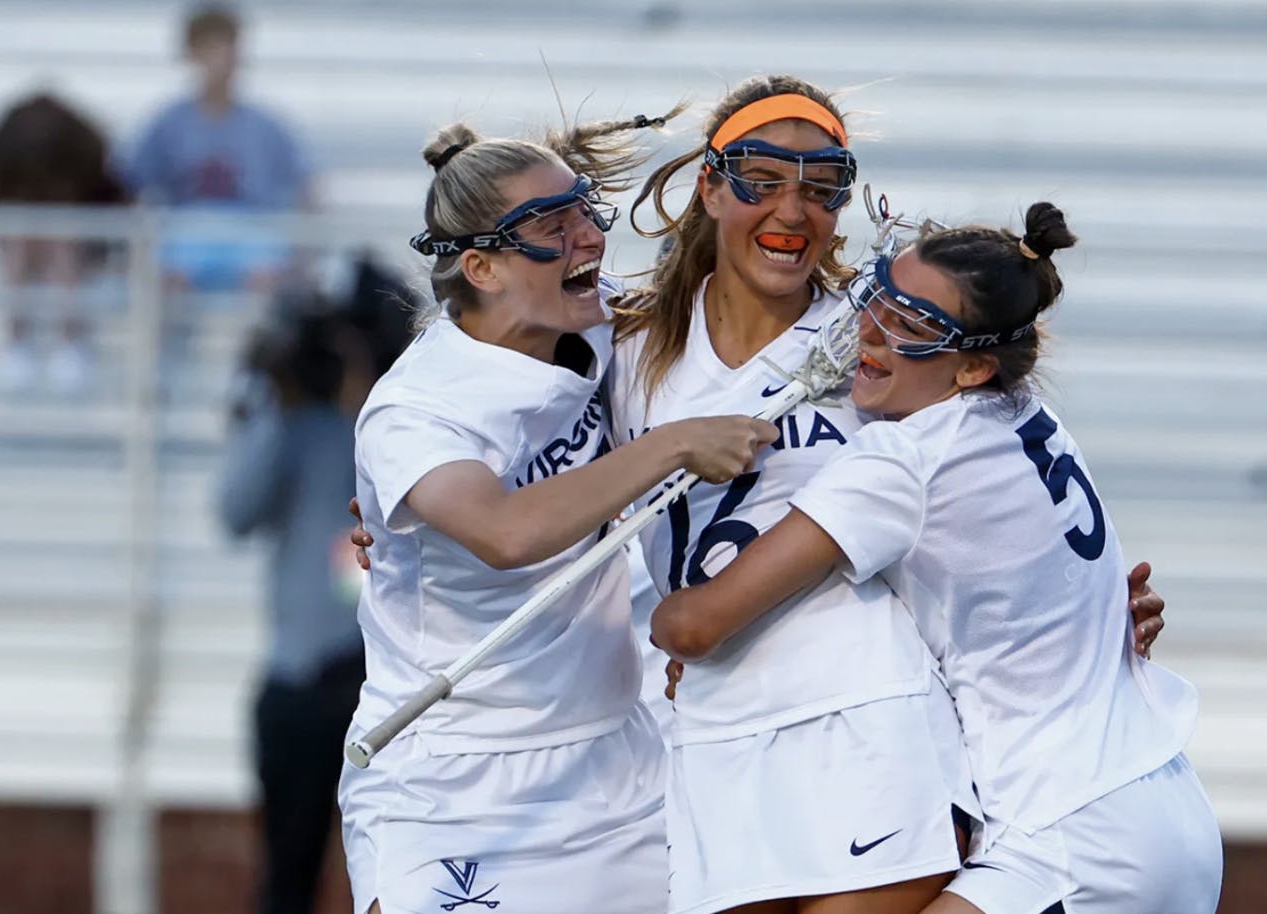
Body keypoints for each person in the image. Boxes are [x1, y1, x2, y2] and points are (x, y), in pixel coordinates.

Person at [609, 75, 1177, 914]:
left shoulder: (885, 335)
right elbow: (523, 469)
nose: (792, 211)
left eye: (823, 184)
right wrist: (404, 521)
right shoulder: (624, 346)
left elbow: (1011, 503)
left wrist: (1079, 611)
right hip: (711, 734)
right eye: (762, 179)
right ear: (710, 184)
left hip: (872, 727)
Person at [339, 114, 776, 914]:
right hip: (456, 780)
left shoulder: (601, 324)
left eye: (584, 211)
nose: (589, 240)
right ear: (482, 266)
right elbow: (507, 534)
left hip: (618, 761)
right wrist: (672, 446)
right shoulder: (415, 409)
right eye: (552, 226)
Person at [217, 276, 412, 914]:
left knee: (401, 878)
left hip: (389, 682)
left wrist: (371, 393)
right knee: (287, 881)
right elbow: (236, 513)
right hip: (302, 679)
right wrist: (280, 398)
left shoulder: (404, 421)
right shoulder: (292, 425)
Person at [123, 3, 313, 299]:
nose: (223, 58)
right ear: (192, 54)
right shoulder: (169, 122)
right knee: (166, 274)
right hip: (187, 228)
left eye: (228, 46)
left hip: (249, 229)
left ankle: (261, 344)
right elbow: (134, 183)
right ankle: (170, 346)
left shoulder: (266, 125)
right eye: (211, 48)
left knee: (267, 273)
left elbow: (305, 186)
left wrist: (302, 253)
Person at [0, 91, 127, 395]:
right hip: (24, 244)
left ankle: (71, 341)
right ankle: (16, 343)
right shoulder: (10, 185)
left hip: (77, 247)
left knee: (62, 239)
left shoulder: (89, 172)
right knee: (20, 237)